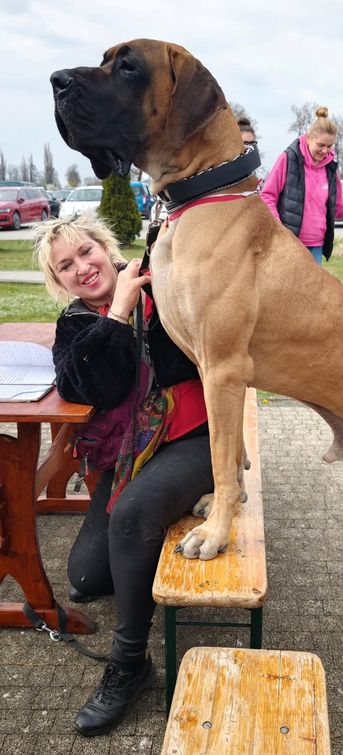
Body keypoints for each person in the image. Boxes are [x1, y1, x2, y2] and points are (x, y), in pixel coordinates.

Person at [33, 215, 214, 735]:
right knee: (86, 580)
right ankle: (154, 521)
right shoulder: (76, 323)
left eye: (86, 252)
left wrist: (140, 302)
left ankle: (129, 664)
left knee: (132, 514)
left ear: (105, 247)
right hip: (131, 453)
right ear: (59, 280)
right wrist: (115, 316)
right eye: (65, 266)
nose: (82, 268)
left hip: (196, 437)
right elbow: (89, 387)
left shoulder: (163, 283)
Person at [260, 106, 343, 265]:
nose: (325, 151)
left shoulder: (331, 170)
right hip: (289, 244)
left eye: (329, 146)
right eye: (320, 145)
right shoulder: (288, 159)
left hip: (316, 247)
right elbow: (267, 196)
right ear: (308, 138)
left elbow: (338, 207)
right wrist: (277, 226)